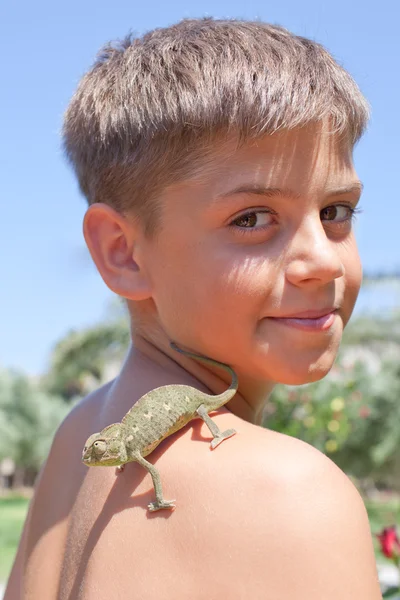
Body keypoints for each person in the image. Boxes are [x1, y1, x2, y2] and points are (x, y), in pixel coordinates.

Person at [5, 17, 382, 599]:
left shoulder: (74, 440)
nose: (324, 263)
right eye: (251, 218)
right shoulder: (289, 494)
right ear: (123, 252)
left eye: (337, 211)